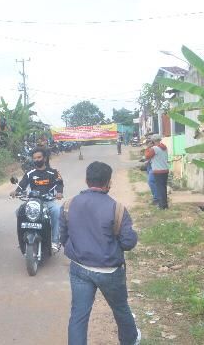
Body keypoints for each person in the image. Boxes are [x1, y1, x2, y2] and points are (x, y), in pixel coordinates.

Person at [60, 161, 140, 345]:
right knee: (120, 309)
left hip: (79, 268)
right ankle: (130, 341)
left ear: (86, 180)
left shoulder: (68, 205)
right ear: (108, 183)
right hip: (109, 271)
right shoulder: (117, 208)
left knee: (79, 315)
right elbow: (128, 243)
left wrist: (78, 250)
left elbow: (63, 236)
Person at [10, 147, 64, 251]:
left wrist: (59, 193)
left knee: (56, 211)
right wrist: (16, 191)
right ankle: (22, 239)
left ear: (44, 158)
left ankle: (54, 241)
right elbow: (22, 185)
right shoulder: (30, 173)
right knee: (19, 212)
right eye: (34, 158)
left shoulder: (53, 172)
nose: (37, 160)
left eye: (39, 157)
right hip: (32, 202)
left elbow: (59, 183)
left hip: (47, 201)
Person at [144, 134, 169, 209]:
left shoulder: (155, 148)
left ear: (153, 141)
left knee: (160, 188)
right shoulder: (164, 147)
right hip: (165, 170)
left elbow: (147, 156)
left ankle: (161, 206)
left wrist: (148, 147)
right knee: (163, 188)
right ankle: (165, 205)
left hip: (158, 171)